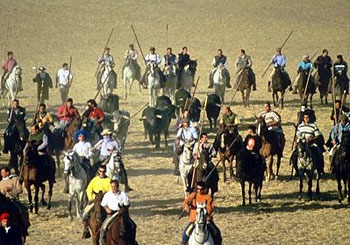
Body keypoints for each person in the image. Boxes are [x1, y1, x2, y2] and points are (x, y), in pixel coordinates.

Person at [82, 165, 111, 238]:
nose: (102, 173)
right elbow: (89, 189)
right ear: (98, 171)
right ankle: (86, 230)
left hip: (105, 201)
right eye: (100, 171)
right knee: (85, 213)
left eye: (103, 171)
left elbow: (111, 191)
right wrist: (91, 198)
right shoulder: (94, 180)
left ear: (106, 171)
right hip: (95, 200)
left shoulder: (109, 180)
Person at [99, 180, 131, 245]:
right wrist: (107, 209)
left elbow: (127, 204)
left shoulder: (123, 194)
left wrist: (123, 209)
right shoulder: (108, 194)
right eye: (112, 187)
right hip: (111, 214)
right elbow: (103, 204)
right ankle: (102, 242)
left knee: (132, 226)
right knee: (103, 228)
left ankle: (132, 241)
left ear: (118, 186)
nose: (114, 188)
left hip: (121, 213)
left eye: (115, 186)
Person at [62, 130, 92, 194]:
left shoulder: (88, 144)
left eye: (81, 136)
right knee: (67, 172)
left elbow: (91, 154)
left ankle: (89, 184)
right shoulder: (76, 145)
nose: (80, 137)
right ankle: (67, 186)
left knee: (90, 171)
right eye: (79, 136)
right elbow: (73, 152)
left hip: (85, 161)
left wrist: (85, 156)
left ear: (84, 137)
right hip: (76, 162)